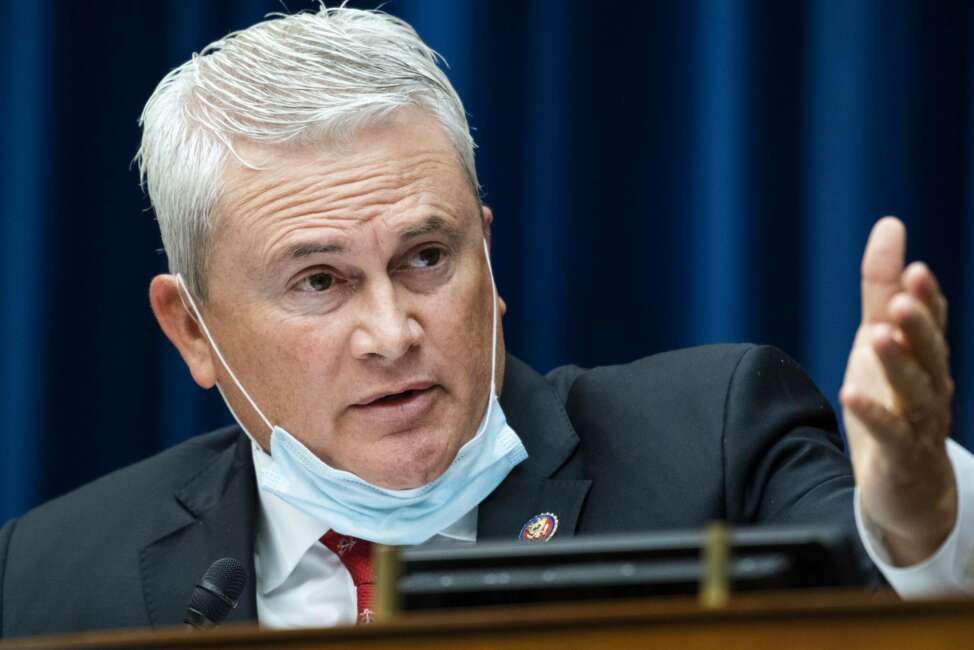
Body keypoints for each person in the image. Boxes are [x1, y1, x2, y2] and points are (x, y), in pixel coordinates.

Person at [0, 5, 971, 638]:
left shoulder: (710, 437)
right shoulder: (46, 574)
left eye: (426, 259)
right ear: (192, 332)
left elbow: (878, 590)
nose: (390, 331)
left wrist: (913, 513)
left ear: (487, 255)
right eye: (318, 282)